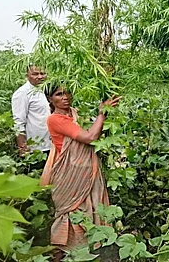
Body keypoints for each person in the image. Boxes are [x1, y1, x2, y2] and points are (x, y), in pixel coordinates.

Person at [40, 84, 121, 253]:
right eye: (59, 94)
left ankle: (91, 247)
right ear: (50, 99)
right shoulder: (55, 119)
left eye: (67, 92)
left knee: (91, 206)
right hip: (69, 173)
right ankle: (68, 250)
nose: (65, 97)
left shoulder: (74, 113)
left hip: (87, 170)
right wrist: (101, 114)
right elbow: (90, 136)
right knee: (72, 211)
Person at [11, 64, 51, 156]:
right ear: (27, 75)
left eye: (43, 73)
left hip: (50, 144)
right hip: (35, 148)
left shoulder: (46, 90)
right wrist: (22, 147)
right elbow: (18, 123)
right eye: (35, 74)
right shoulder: (22, 93)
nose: (40, 77)